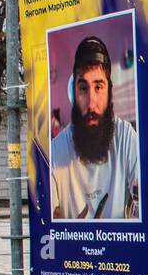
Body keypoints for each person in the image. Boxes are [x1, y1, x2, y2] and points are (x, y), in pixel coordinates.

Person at [50, 35, 140, 220]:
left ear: (109, 91)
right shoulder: (56, 152)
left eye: (98, 87)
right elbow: (48, 223)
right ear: (74, 93)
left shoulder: (126, 137)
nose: (91, 104)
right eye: (83, 88)